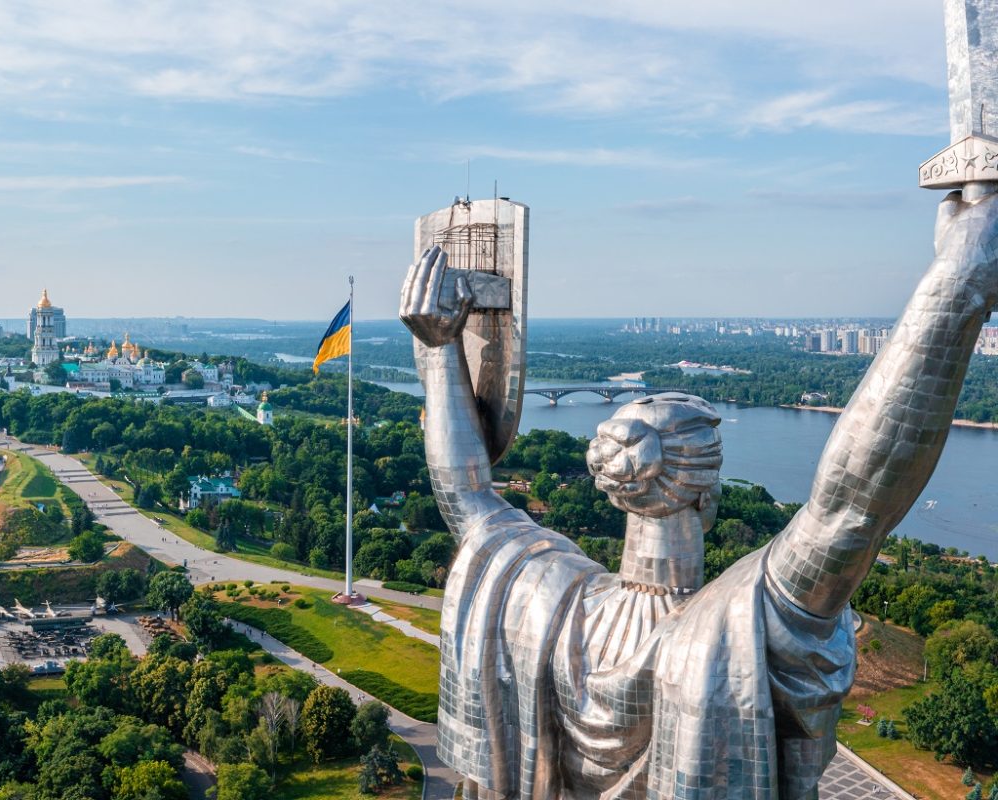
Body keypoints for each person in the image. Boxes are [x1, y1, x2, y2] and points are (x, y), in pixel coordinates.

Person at [399, 190, 998, 800]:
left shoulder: (548, 602)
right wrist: (959, 281)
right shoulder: (740, 623)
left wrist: (442, 349)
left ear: (616, 490)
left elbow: (465, 495)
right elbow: (853, 506)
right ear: (706, 495)